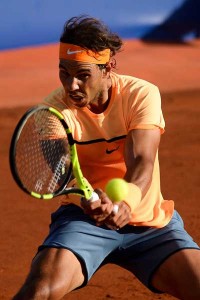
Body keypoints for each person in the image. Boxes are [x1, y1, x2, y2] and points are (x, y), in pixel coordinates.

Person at [13, 15, 200, 300]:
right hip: (84, 221)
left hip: (150, 222)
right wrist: (90, 203)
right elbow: (62, 174)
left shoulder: (141, 94)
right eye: (64, 72)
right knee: (39, 291)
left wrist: (125, 202)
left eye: (83, 75)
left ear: (107, 67)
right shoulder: (52, 112)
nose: (71, 85)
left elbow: (142, 161)